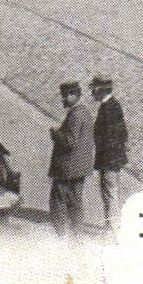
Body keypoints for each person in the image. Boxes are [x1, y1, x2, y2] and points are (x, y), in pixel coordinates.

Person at [49, 81, 94, 240]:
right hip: (80, 166)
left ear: (74, 95)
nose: (63, 100)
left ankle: (60, 235)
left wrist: (55, 134)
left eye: (65, 96)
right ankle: (77, 234)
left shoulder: (75, 115)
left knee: (58, 200)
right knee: (76, 201)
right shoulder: (86, 112)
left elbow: (70, 141)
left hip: (68, 167)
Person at [91, 75, 129, 234]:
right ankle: (111, 227)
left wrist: (106, 157)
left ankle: (113, 230)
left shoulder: (108, 108)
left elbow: (112, 136)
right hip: (111, 158)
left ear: (101, 89)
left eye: (94, 88)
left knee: (110, 193)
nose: (92, 92)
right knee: (110, 193)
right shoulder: (112, 105)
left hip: (109, 159)